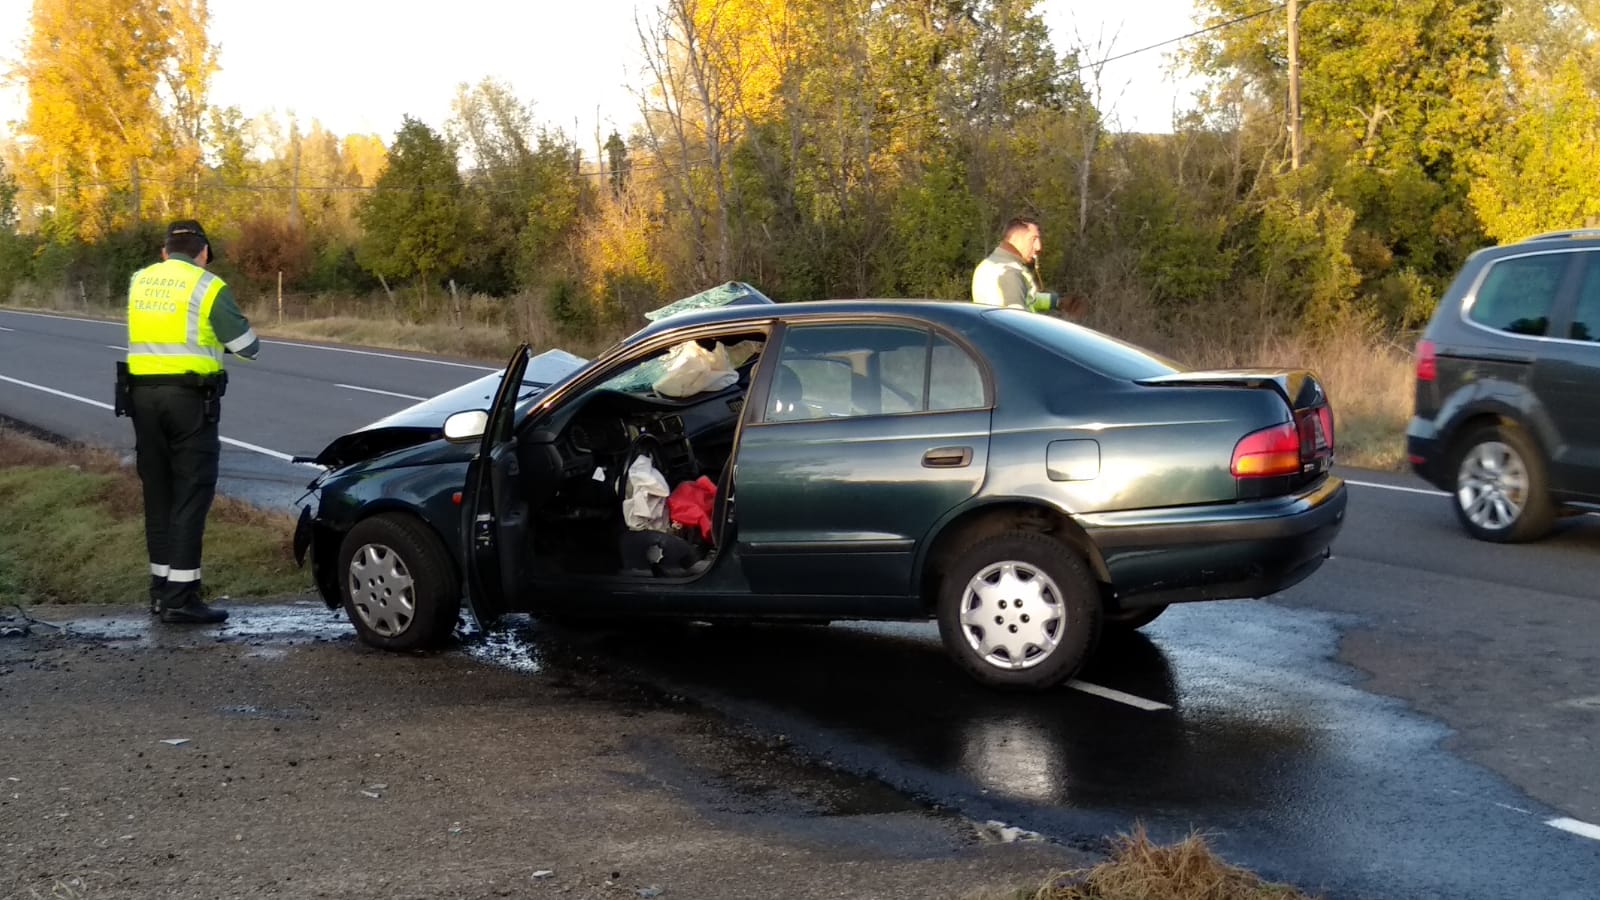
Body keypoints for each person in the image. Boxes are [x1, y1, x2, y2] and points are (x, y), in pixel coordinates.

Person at [120, 219, 259, 624]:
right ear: (203, 254)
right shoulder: (207, 285)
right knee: (191, 493)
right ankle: (181, 599)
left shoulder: (139, 281)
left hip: (141, 398)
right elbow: (248, 348)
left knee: (158, 494)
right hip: (189, 401)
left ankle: (161, 592)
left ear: (165, 252)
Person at [971, 217, 1085, 317]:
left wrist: (1057, 302)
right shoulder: (1010, 272)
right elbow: (1017, 320)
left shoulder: (989, 265)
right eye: (1033, 239)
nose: (1038, 246)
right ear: (1015, 238)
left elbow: (1027, 298)